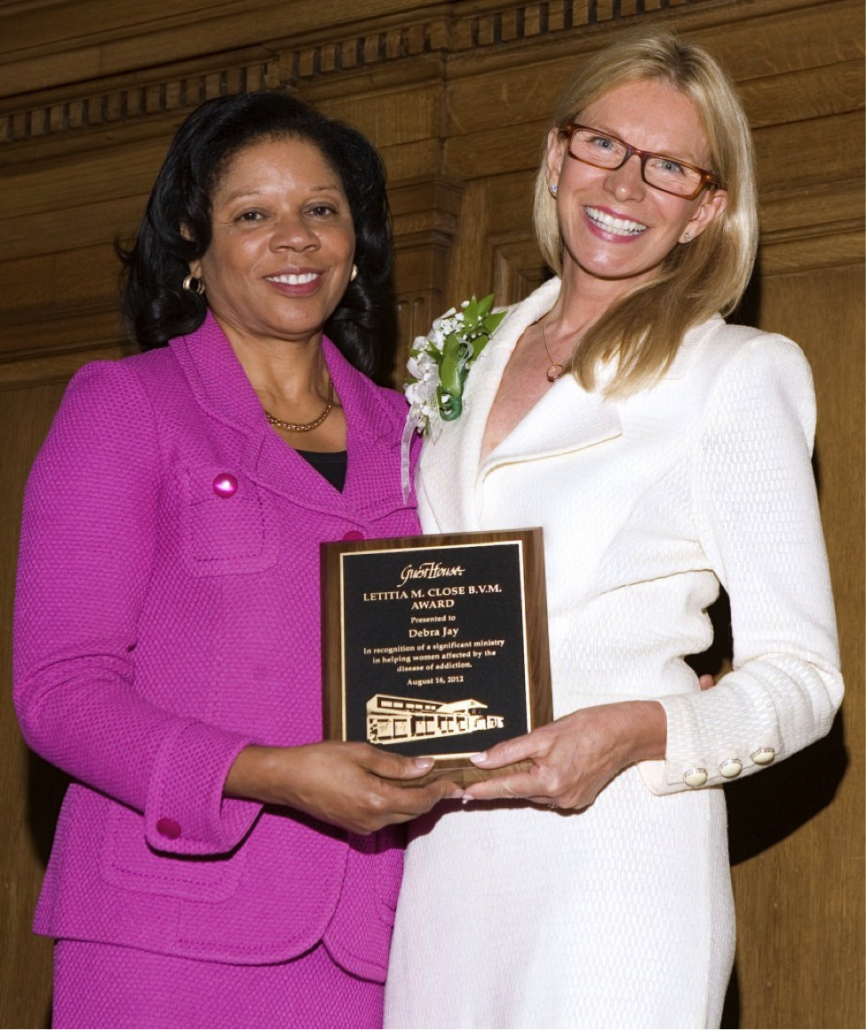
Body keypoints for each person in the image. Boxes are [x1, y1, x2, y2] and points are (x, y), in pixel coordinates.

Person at [384, 29, 843, 1030]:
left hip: (619, 853)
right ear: (555, 154)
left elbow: (803, 681)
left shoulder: (732, 374)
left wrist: (638, 730)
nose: (625, 185)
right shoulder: (464, 349)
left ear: (705, 210)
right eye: (601, 147)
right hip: (444, 856)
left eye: (668, 166)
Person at [13, 90, 461, 1030]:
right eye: (253, 215)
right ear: (192, 247)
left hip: (382, 944)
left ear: (355, 239)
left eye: (322, 209)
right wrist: (267, 771)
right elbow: (60, 691)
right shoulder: (126, 406)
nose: (294, 238)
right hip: (162, 944)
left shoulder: (422, 439)